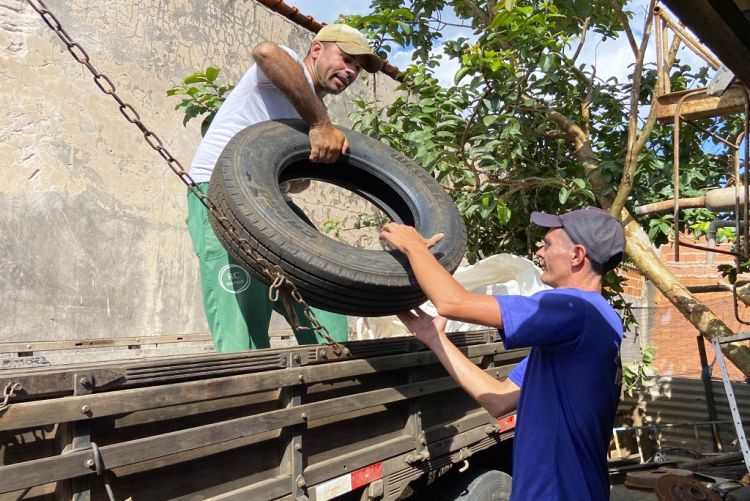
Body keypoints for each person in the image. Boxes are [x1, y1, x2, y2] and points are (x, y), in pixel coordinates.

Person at [379, 207, 626, 500]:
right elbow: (497, 399)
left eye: (547, 244)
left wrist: (414, 246)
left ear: (577, 256)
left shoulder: (575, 308)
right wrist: (435, 338)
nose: (538, 252)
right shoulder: (585, 329)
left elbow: (452, 302)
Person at [187, 24, 382, 352]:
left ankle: (332, 369)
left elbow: (297, 181)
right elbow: (267, 52)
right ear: (317, 50)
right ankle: (248, 391)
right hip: (219, 191)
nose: (350, 71)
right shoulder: (292, 72)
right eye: (346, 58)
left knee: (320, 284)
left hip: (270, 202)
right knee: (243, 313)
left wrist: (304, 166)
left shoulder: (309, 113)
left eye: (357, 68)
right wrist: (320, 124)